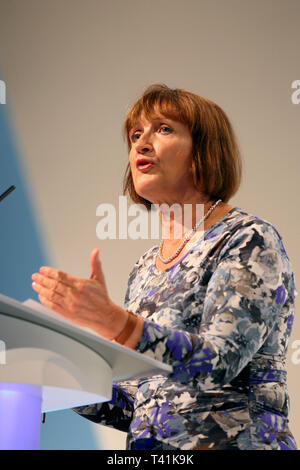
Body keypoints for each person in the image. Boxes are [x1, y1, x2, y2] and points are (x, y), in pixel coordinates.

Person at [31, 84, 298, 450]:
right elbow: (141, 405)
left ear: (204, 150)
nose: (141, 143)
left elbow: (218, 362)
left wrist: (115, 323)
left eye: (164, 129)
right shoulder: (144, 268)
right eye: (135, 134)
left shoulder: (247, 238)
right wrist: (55, 373)